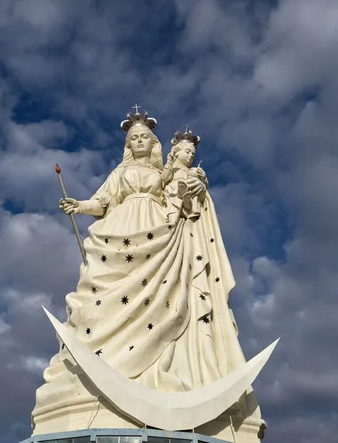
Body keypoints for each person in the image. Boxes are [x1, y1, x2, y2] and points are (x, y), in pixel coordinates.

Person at [32, 110, 261, 435]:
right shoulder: (119, 172)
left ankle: (159, 365)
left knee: (164, 298)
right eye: (133, 138)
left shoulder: (163, 173)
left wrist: (196, 184)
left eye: (143, 137)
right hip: (118, 228)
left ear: (152, 143)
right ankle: (102, 368)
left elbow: (181, 197)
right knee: (102, 296)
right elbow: (102, 201)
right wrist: (79, 206)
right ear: (129, 144)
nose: (139, 141)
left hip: (157, 231)